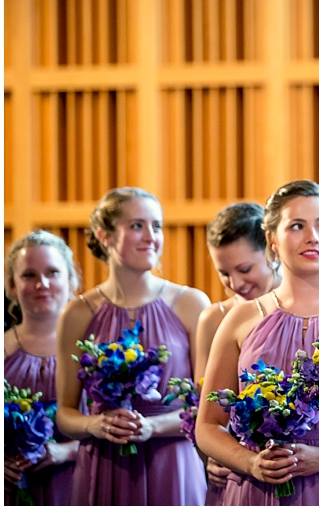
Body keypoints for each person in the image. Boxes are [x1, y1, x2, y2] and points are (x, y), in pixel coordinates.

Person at [55, 187, 210, 505]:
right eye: (137, 225)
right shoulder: (77, 313)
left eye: (157, 226)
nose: (151, 236)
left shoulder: (191, 304)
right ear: (105, 236)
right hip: (104, 460)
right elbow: (65, 414)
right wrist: (95, 424)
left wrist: (152, 426)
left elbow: (204, 408)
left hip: (173, 460)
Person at [196, 180, 319, 505]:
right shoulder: (239, 319)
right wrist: (250, 462)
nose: (312, 237)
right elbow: (208, 424)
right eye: (297, 226)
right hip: (256, 487)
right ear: (271, 239)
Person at [195, 202, 281, 503]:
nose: (236, 284)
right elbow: (206, 410)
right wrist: (217, 455)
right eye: (224, 273)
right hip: (235, 471)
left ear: (272, 250)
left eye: (244, 269)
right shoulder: (214, 319)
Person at [4, 231, 80, 505]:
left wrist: (65, 452)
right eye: (29, 275)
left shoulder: (94, 352)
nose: (42, 283)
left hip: (80, 483)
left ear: (71, 281)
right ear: (11, 285)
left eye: (52, 272)